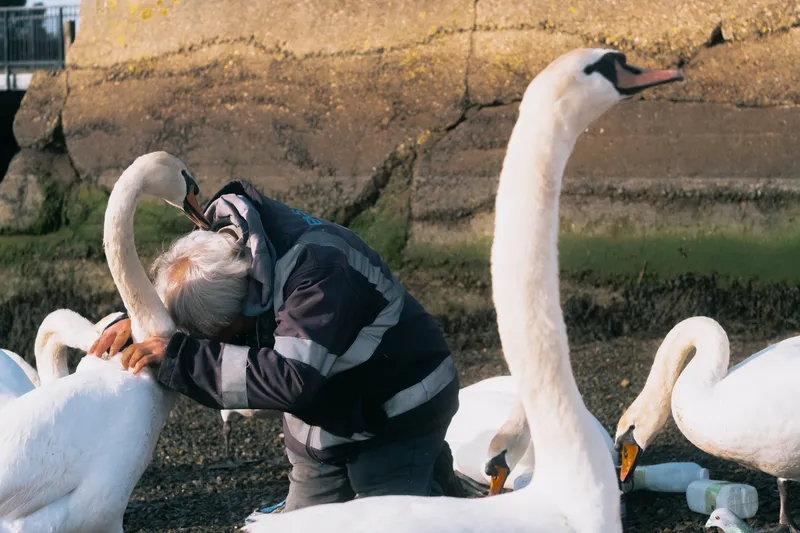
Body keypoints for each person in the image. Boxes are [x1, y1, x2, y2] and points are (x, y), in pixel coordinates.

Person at [90, 179, 462, 513]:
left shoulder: (317, 276)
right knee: (302, 523)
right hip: (329, 417)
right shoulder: (229, 246)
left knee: (387, 517)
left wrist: (182, 359)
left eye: (227, 335)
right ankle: (437, 482)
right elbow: (194, 294)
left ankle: (440, 491)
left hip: (397, 409)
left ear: (244, 304)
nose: (225, 345)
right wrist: (140, 323)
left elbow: (291, 378)